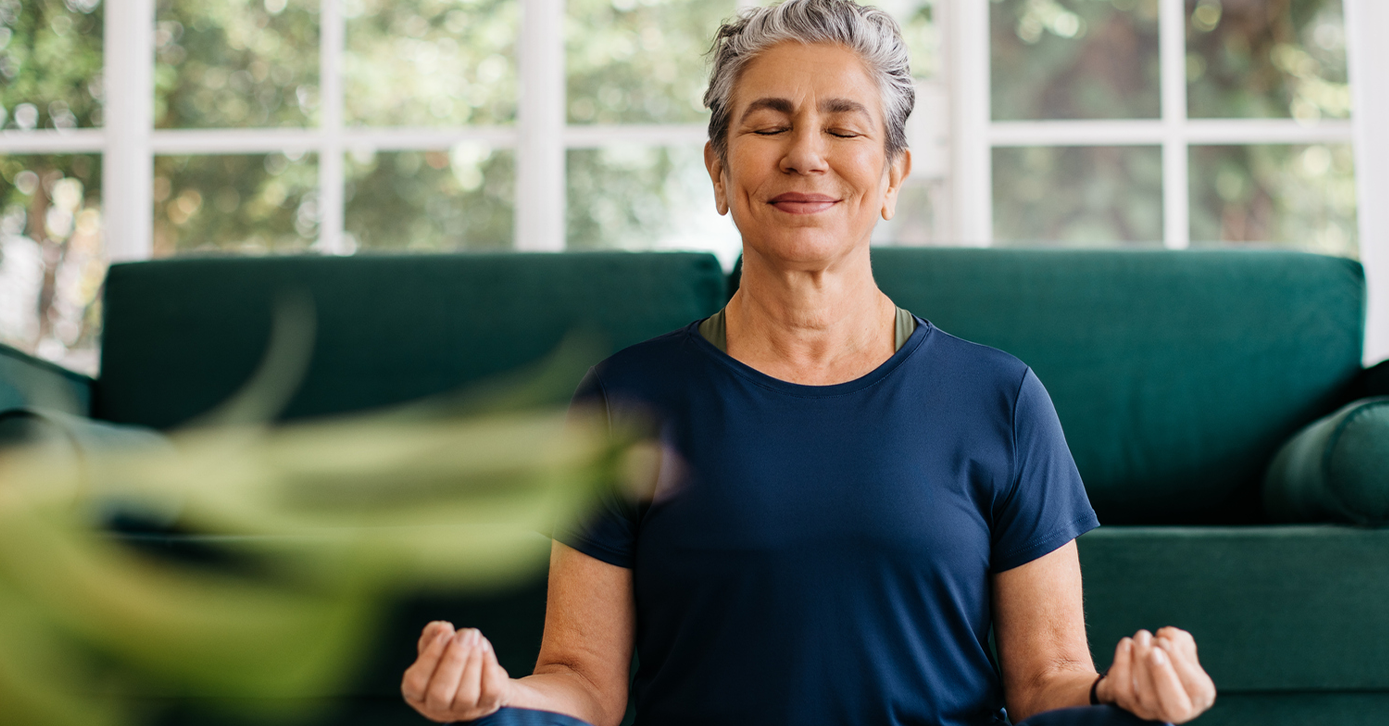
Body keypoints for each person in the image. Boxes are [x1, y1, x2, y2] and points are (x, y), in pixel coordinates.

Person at [400, 1, 1216, 724]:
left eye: (845, 125)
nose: (805, 154)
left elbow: (1047, 683)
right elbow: (582, 684)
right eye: (768, 124)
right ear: (719, 171)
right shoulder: (624, 399)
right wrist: (493, 698)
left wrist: (1124, 696)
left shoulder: (1001, 399)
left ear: (893, 174)